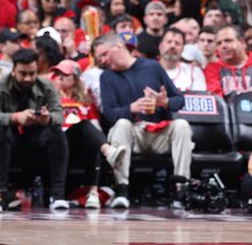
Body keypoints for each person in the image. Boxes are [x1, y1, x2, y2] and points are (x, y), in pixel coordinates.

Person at [94, 33, 193, 209]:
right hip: (132, 134)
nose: (101, 60)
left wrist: (165, 102)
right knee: (122, 124)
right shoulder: (106, 77)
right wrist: (131, 109)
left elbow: (180, 100)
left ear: (118, 47)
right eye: (99, 57)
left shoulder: (153, 67)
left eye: (104, 54)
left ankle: (182, 189)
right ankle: (121, 189)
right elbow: (109, 114)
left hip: (159, 133)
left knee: (182, 125)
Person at [0, 48, 68, 210]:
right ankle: (0, 192)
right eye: (23, 73)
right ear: (13, 70)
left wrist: (47, 118)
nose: (28, 78)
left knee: (56, 132)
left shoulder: (46, 86)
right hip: (8, 141)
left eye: (32, 73)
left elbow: (59, 116)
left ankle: (57, 195)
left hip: (36, 139)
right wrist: (16, 117)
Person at [50, 59, 126, 209]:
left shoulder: (85, 101)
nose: (59, 77)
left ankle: (92, 192)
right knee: (83, 128)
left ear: (76, 78)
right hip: (57, 141)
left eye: (65, 74)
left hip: (79, 145)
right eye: (57, 73)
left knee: (87, 131)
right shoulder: (51, 97)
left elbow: (95, 126)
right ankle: (108, 151)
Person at [158, 27, 206, 92]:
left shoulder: (194, 72)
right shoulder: (148, 70)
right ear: (160, 46)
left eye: (177, 43)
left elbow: (200, 97)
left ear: (183, 49)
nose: (172, 46)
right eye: (169, 42)